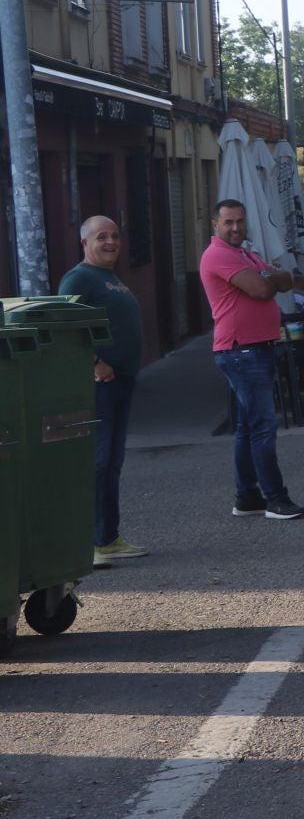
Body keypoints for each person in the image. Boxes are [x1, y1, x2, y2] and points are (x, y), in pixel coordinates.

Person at [200, 199, 304, 521]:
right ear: (215, 225)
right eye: (229, 222)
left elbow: (287, 278)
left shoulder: (245, 253)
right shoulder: (218, 254)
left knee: (247, 428)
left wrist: (269, 276)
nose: (236, 228)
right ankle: (275, 499)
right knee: (263, 426)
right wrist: (267, 276)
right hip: (241, 351)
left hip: (256, 348)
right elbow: (263, 289)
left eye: (240, 222)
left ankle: (247, 497)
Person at [57, 216, 148, 567]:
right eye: (101, 237)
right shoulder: (79, 277)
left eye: (114, 236)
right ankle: (90, 542)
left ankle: (107, 537)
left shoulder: (108, 277)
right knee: (98, 462)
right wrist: (94, 362)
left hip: (121, 380)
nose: (110, 242)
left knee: (112, 462)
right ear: (84, 243)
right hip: (101, 384)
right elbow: (66, 326)